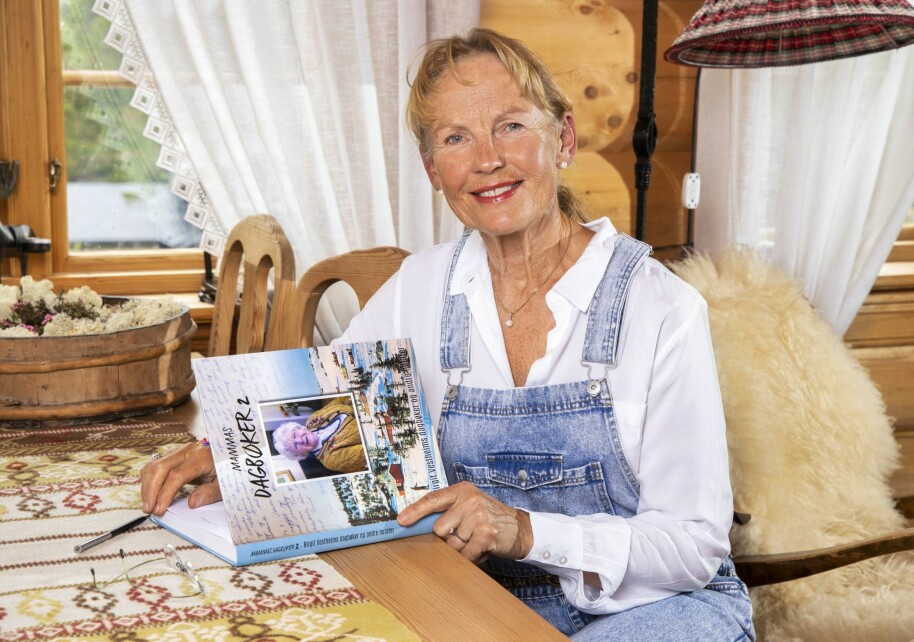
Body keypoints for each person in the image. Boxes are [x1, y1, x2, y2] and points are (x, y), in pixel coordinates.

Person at [140, 28, 753, 640]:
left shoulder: (663, 308)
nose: (487, 159)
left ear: (562, 138)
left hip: (651, 610)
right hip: (468, 594)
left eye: (511, 125)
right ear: (434, 170)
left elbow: (692, 544)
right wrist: (229, 449)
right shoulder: (422, 287)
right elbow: (319, 399)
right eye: (457, 138)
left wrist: (521, 530)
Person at [272, 400, 365, 473]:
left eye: (295, 434)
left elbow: (340, 401)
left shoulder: (312, 421)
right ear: (301, 455)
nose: (300, 440)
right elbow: (369, 448)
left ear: (299, 427)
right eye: (296, 446)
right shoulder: (331, 460)